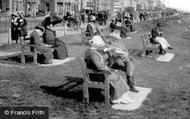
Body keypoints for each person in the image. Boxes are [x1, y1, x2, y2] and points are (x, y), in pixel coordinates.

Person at [85, 35, 134, 104]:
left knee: (118, 77)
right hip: (98, 75)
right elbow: (99, 67)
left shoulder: (91, 51)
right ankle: (116, 98)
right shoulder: (93, 54)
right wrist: (108, 69)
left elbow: (98, 64)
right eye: (100, 45)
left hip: (96, 73)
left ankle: (122, 97)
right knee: (118, 78)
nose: (101, 47)